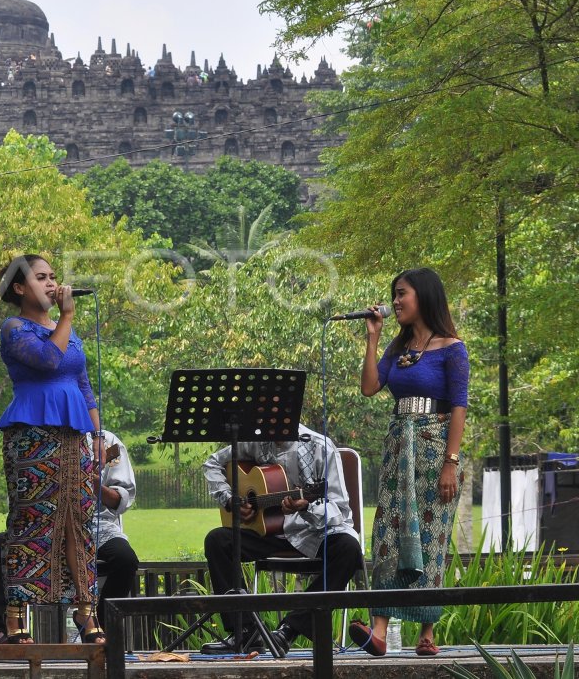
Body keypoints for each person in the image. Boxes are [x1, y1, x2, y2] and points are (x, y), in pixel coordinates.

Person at [351, 267, 469, 657]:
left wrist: (451, 461)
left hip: (435, 451)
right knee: (387, 536)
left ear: (424, 296)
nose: (396, 301)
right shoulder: (397, 350)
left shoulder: (453, 348)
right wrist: (373, 338)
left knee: (431, 537)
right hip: (398, 451)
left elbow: (458, 407)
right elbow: (370, 388)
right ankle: (380, 630)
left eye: (402, 294)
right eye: (394, 295)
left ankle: (427, 632)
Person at [0, 254, 102, 645]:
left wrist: (98, 436)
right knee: (32, 521)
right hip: (32, 436)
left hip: (75, 438)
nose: (52, 283)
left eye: (54, 276)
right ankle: (15, 615)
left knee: (79, 522)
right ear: (20, 288)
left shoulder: (66, 331)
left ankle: (87, 612)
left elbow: (83, 383)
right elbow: (47, 359)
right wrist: (67, 317)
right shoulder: (14, 328)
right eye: (42, 277)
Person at [200, 424, 362, 658]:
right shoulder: (255, 441)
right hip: (271, 532)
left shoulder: (319, 447)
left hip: (314, 532)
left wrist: (307, 505)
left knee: (349, 549)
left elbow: (340, 510)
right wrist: (231, 500)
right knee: (218, 540)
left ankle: (289, 629)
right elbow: (212, 463)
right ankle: (245, 631)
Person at [0, 429, 138, 644]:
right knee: (1, 544)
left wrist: (94, 486)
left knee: (125, 559)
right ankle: (5, 629)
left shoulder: (107, 441)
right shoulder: (38, 435)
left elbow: (121, 500)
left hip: (97, 524)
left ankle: (100, 624)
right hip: (42, 525)